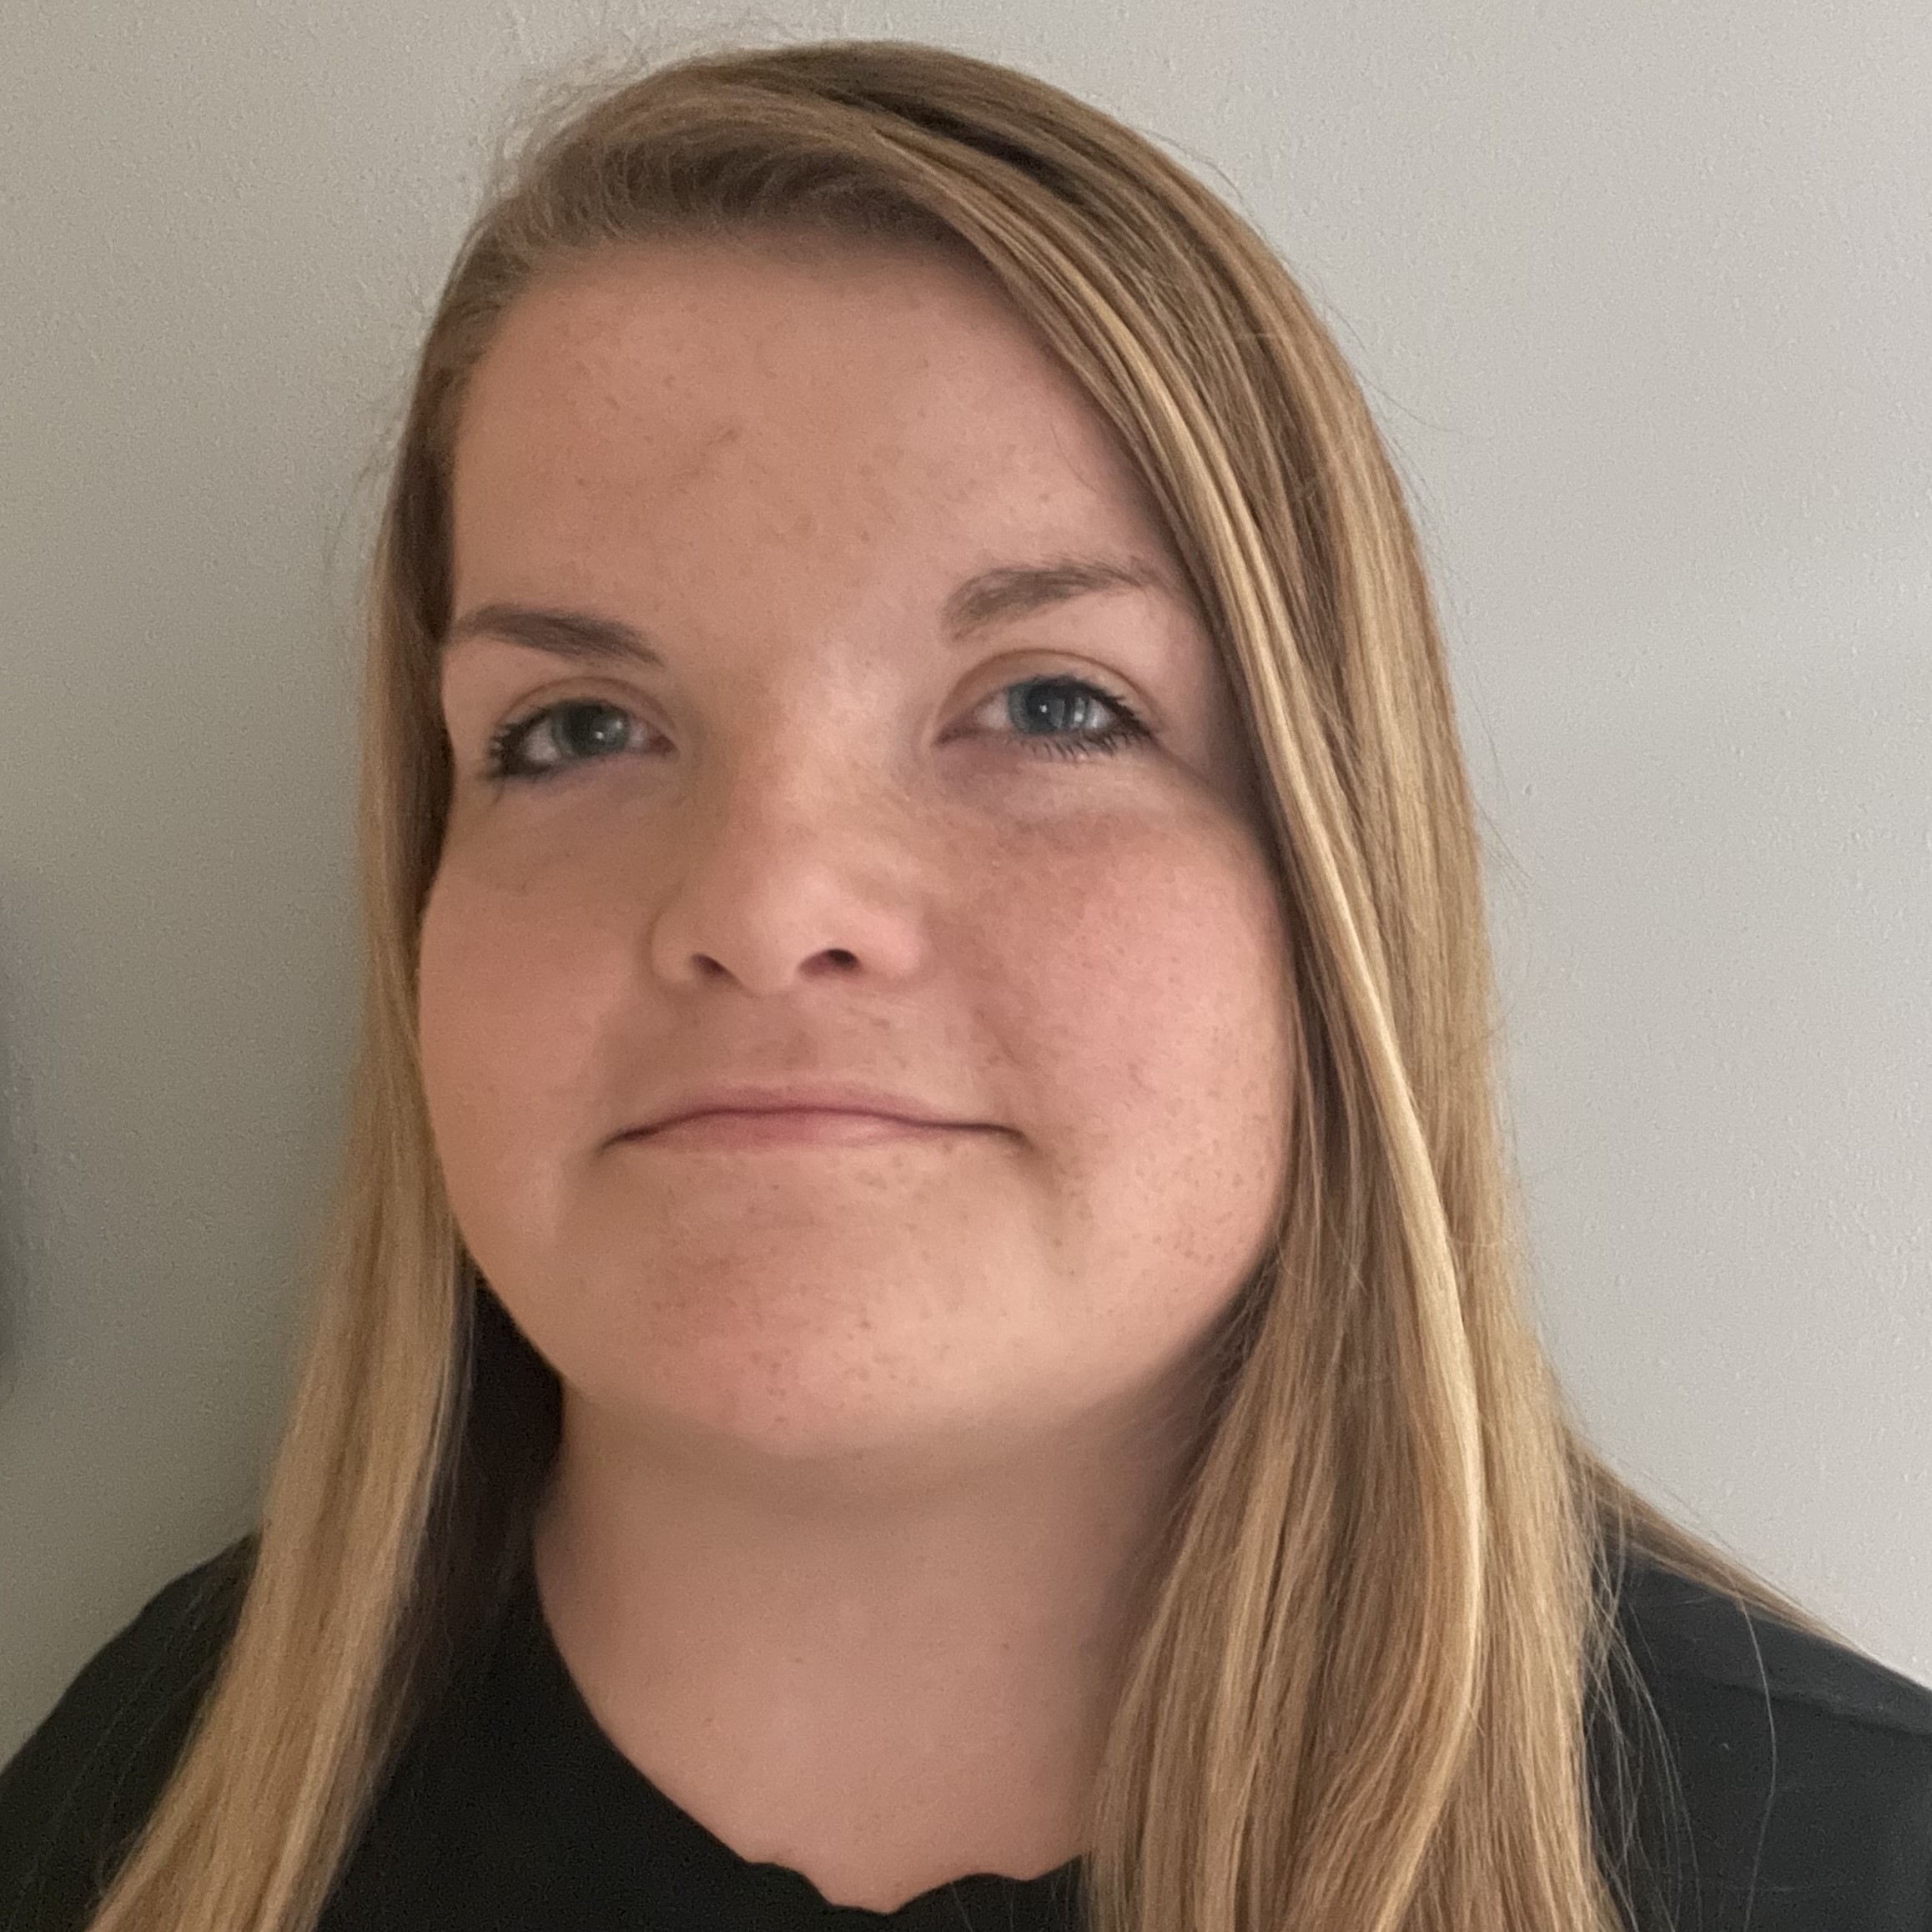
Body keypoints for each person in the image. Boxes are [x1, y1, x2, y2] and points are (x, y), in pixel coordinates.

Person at [3, 35, 1928, 1932]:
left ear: (1337, 886)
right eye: (576, 726)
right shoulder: (123, 1831)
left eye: (1053, 705)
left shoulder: (1856, 1866)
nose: (767, 903)